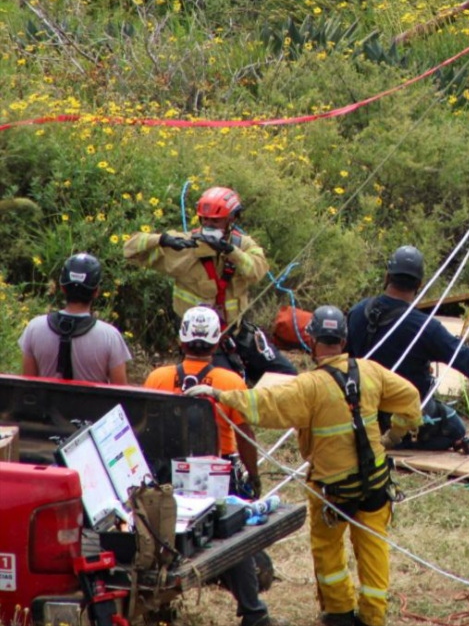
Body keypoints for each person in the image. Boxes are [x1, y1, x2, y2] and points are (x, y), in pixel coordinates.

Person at [186, 306, 422, 626]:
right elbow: (410, 397)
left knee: (328, 548)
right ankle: (373, 617)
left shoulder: (308, 386)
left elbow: (263, 404)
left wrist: (217, 394)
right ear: (343, 340)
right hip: (376, 483)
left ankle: (339, 612)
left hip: (333, 490)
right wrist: (394, 435)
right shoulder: (371, 371)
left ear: (311, 341)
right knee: (374, 548)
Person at [143, 305, 279, 626]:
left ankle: (157, 606)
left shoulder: (158, 378)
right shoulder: (229, 380)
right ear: (217, 343)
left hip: (166, 474)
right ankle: (253, 612)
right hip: (218, 475)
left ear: (181, 340)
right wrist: (253, 477)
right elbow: (244, 434)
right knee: (234, 537)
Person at [346, 246, 469, 450]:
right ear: (419, 284)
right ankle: (400, 442)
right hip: (402, 416)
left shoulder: (357, 312)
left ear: (387, 276)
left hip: (363, 412)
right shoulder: (424, 328)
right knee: (456, 428)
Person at [124, 185, 297, 382]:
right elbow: (129, 250)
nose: (209, 225)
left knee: (287, 376)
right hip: (202, 343)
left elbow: (257, 271)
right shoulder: (183, 247)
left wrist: (231, 252)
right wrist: (161, 239)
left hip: (236, 332)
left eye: (215, 221)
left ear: (231, 219)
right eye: (205, 219)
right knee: (226, 383)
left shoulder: (243, 245)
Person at [20, 253, 131, 384]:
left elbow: (28, 386)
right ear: (96, 292)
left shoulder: (34, 328)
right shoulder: (110, 337)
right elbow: (120, 391)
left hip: (45, 398)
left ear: (62, 288)